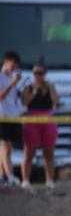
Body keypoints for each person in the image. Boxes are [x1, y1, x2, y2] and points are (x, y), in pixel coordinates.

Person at [18, 63, 59, 190]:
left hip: (47, 118)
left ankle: (50, 180)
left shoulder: (50, 86)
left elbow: (55, 102)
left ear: (45, 74)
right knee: (29, 151)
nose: (37, 76)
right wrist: (34, 92)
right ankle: (25, 180)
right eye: (35, 73)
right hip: (31, 119)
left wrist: (50, 89)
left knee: (49, 152)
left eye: (40, 73)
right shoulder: (28, 87)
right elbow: (24, 102)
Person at [0, 51, 22, 187]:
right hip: (2, 117)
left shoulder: (12, 78)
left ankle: (2, 176)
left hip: (12, 117)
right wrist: (12, 84)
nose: (14, 68)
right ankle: (10, 176)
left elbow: (13, 99)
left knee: (7, 148)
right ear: (6, 62)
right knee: (5, 147)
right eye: (13, 65)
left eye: (16, 66)